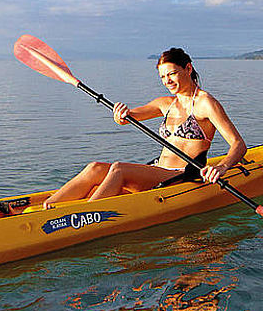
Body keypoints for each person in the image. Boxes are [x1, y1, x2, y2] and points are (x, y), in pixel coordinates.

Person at [42, 47, 246, 208]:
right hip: (158, 169)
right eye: (163, 77)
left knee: (119, 169)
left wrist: (222, 166)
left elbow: (238, 144)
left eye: (172, 74)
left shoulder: (205, 103)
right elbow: (129, 117)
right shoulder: (166, 103)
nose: (167, 81)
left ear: (188, 68)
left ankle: (86, 215)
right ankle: (48, 207)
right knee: (95, 167)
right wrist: (120, 114)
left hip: (181, 175)